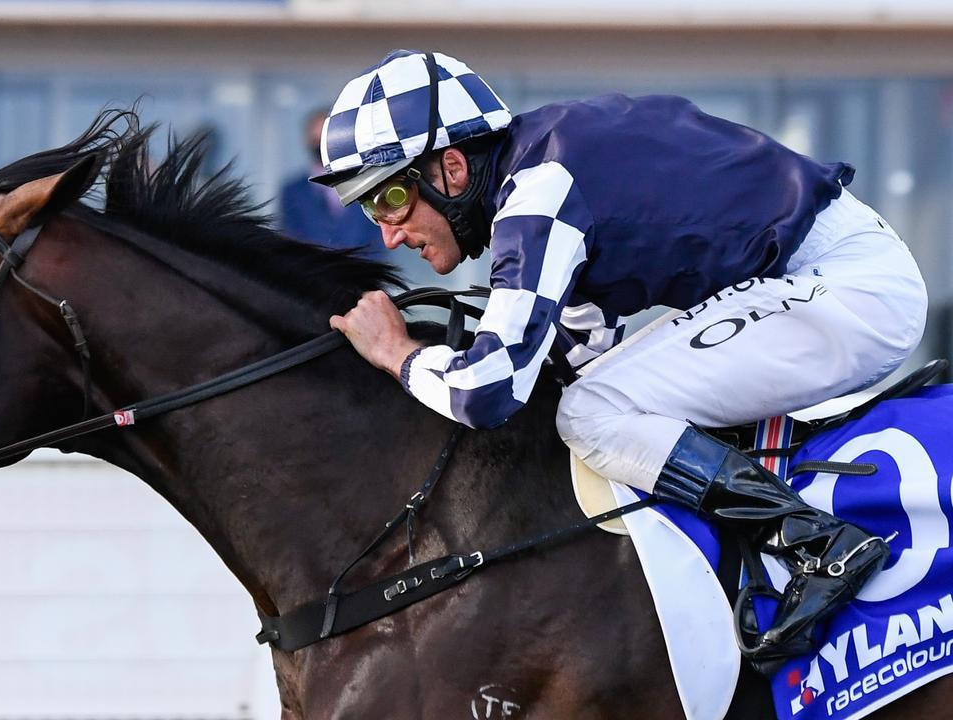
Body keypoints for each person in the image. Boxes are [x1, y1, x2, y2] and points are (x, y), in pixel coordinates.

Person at [319, 50, 927, 671]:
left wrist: (400, 354)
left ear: (451, 168)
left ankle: (814, 543)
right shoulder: (547, 164)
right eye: (370, 210)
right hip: (826, 279)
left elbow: (488, 392)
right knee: (597, 399)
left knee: (593, 412)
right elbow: (583, 351)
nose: (389, 234)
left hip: (843, 289)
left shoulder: (540, 191)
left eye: (392, 198)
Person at [278, 110, 386, 260]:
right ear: (307, 140)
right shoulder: (293, 191)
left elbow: (377, 238)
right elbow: (290, 238)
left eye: (325, 138)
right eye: (316, 139)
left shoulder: (365, 182)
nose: (321, 145)